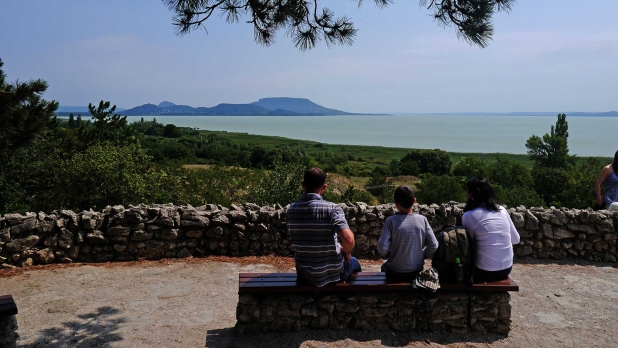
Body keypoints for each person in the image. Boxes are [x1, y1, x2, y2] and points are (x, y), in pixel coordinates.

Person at [287, 167, 362, 287]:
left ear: (303, 185)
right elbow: (349, 239)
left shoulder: (292, 209)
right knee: (354, 262)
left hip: (304, 274)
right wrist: (346, 253)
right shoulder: (333, 209)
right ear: (324, 187)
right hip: (332, 275)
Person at [462, 177, 520, 282]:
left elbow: (468, 247)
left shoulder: (469, 215)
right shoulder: (502, 210)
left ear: (471, 195)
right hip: (507, 268)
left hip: (484, 271)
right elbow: (516, 239)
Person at [377, 186, 438, 281]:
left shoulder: (391, 221)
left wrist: (388, 254)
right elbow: (434, 245)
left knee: (384, 267)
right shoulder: (422, 220)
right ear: (414, 200)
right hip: (416, 271)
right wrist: (422, 255)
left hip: (394, 272)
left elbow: (381, 247)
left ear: (396, 204)